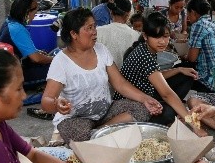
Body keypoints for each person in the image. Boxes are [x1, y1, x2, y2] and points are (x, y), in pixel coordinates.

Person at [41, 8, 162, 143]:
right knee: (79, 134)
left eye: (95, 26)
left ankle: (100, 132)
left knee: (142, 109)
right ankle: (100, 135)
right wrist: (57, 105)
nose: (94, 32)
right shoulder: (61, 62)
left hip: (105, 114)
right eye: (89, 28)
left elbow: (120, 84)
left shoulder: (101, 50)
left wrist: (145, 99)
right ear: (74, 34)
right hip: (76, 119)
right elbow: (46, 100)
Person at [117, 12, 200, 127]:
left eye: (165, 36)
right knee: (169, 112)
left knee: (186, 75)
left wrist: (179, 69)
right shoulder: (144, 56)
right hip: (130, 102)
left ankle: (177, 107)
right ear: (145, 36)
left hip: (146, 92)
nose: (162, 41)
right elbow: (167, 94)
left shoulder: (147, 48)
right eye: (156, 37)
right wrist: (194, 124)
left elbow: (156, 75)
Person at [0, 0, 53, 87]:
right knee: (57, 68)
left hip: (6, 70)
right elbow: (37, 59)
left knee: (45, 57)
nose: (34, 16)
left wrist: (38, 53)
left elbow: (27, 51)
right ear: (27, 12)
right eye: (34, 13)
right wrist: (55, 59)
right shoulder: (18, 29)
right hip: (11, 78)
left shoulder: (10, 22)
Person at [186, 0, 215, 92]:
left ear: (193, 12)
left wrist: (184, 55)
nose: (188, 17)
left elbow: (192, 58)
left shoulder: (198, 25)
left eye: (188, 14)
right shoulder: (214, 24)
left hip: (207, 80)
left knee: (178, 71)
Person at [96, 0, 139, 68]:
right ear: (128, 14)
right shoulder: (136, 35)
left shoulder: (98, 31)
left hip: (104, 77)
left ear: (111, 12)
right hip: (126, 77)